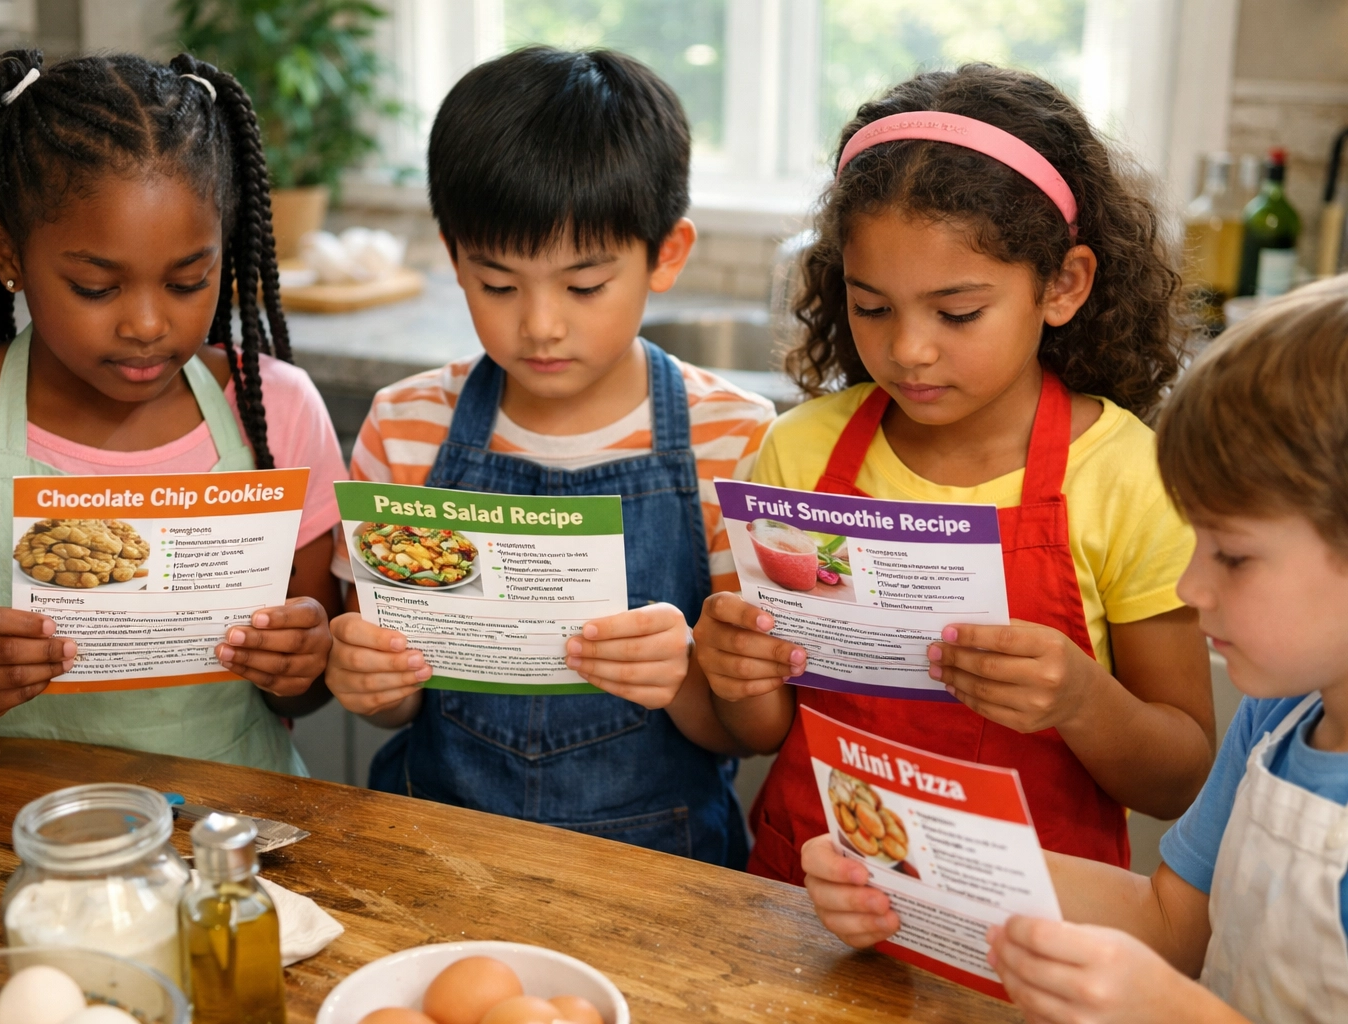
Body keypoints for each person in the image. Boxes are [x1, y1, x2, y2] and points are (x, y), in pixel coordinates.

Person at [694, 64, 1217, 882]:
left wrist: (1082, 700)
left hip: (1029, 929)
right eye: (872, 307)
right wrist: (734, 670)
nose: (909, 349)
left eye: (958, 312)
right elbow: (764, 732)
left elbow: (1180, 781)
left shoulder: (1125, 478)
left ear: (1063, 285)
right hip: (810, 897)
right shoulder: (798, 452)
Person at [809, 278, 1348, 1024]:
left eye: (1233, 555)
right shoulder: (1278, 719)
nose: (1191, 587)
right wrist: (901, 861)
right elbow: (1168, 923)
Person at [0, 50, 347, 775]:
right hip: (9, 821)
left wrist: (305, 661)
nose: (147, 325)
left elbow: (311, 689)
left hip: (240, 817)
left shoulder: (279, 409)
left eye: (188, 281)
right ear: (8, 253)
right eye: (96, 288)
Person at [323, 47, 776, 866]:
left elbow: (751, 731)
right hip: (435, 849)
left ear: (667, 255)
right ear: (454, 257)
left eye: (584, 286)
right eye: (498, 285)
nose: (539, 325)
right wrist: (367, 683)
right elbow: (393, 702)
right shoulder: (407, 425)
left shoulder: (733, 438)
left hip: (659, 869)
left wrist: (683, 672)